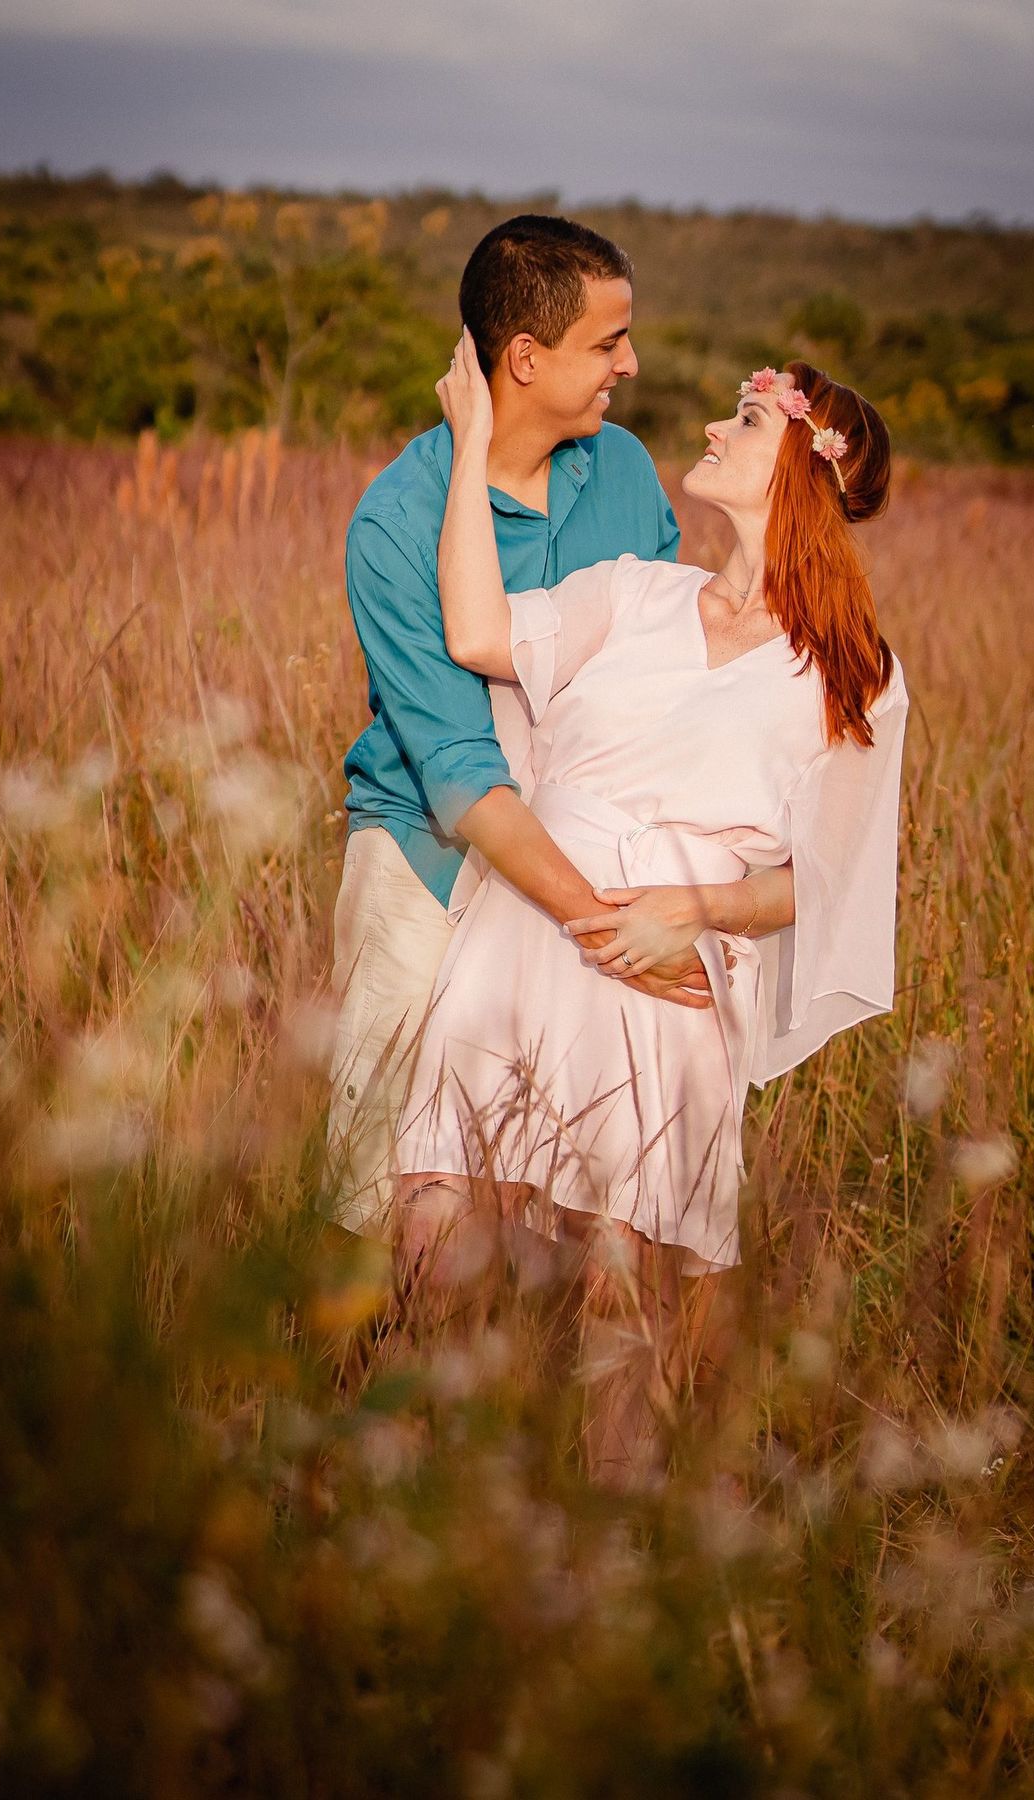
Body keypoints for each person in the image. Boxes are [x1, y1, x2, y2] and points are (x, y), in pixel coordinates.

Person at [393, 339, 909, 1484]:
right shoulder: (633, 592)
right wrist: (475, 439)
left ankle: (617, 1534)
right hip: (527, 930)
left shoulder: (853, 672)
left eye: (749, 423)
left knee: (619, 1263)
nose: (719, 430)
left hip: (669, 968)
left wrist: (694, 908)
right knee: (433, 1217)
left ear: (803, 475)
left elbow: (828, 883)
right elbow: (479, 636)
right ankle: (415, 1494)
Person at [324, 215, 793, 1240]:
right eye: (609, 343)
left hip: (586, 861)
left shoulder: (618, 467)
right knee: (389, 1202)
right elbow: (462, 777)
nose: (632, 363)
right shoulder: (399, 522)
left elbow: (664, 678)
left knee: (555, 1189)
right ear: (526, 358)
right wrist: (612, 933)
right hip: (435, 868)